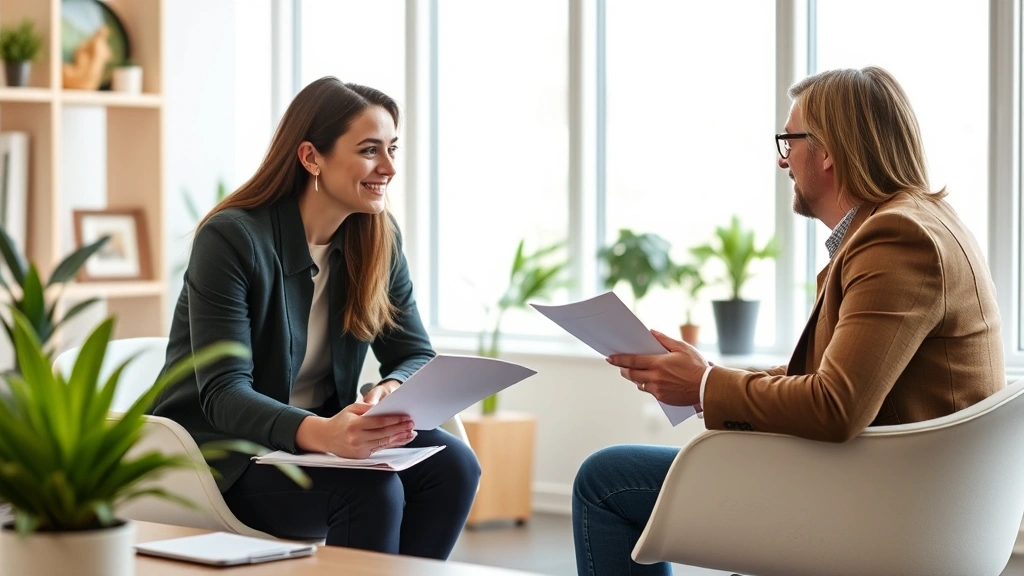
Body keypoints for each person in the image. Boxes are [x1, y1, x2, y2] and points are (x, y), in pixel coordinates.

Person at [572, 66, 1005, 575]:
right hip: (909, 492)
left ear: (829, 152)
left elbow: (835, 406)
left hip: (893, 513)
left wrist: (707, 385)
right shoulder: (916, 223)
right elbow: (836, 380)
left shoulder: (896, 239)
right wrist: (703, 379)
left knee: (605, 481)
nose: (783, 160)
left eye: (790, 140)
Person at [150, 77, 480, 559]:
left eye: (392, 148)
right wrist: (324, 435)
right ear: (311, 158)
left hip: (315, 440)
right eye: (370, 150)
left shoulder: (377, 237)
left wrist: (393, 389)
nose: (388, 167)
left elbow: (412, 352)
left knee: (456, 468)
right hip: (222, 453)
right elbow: (223, 394)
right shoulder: (232, 239)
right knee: (371, 490)